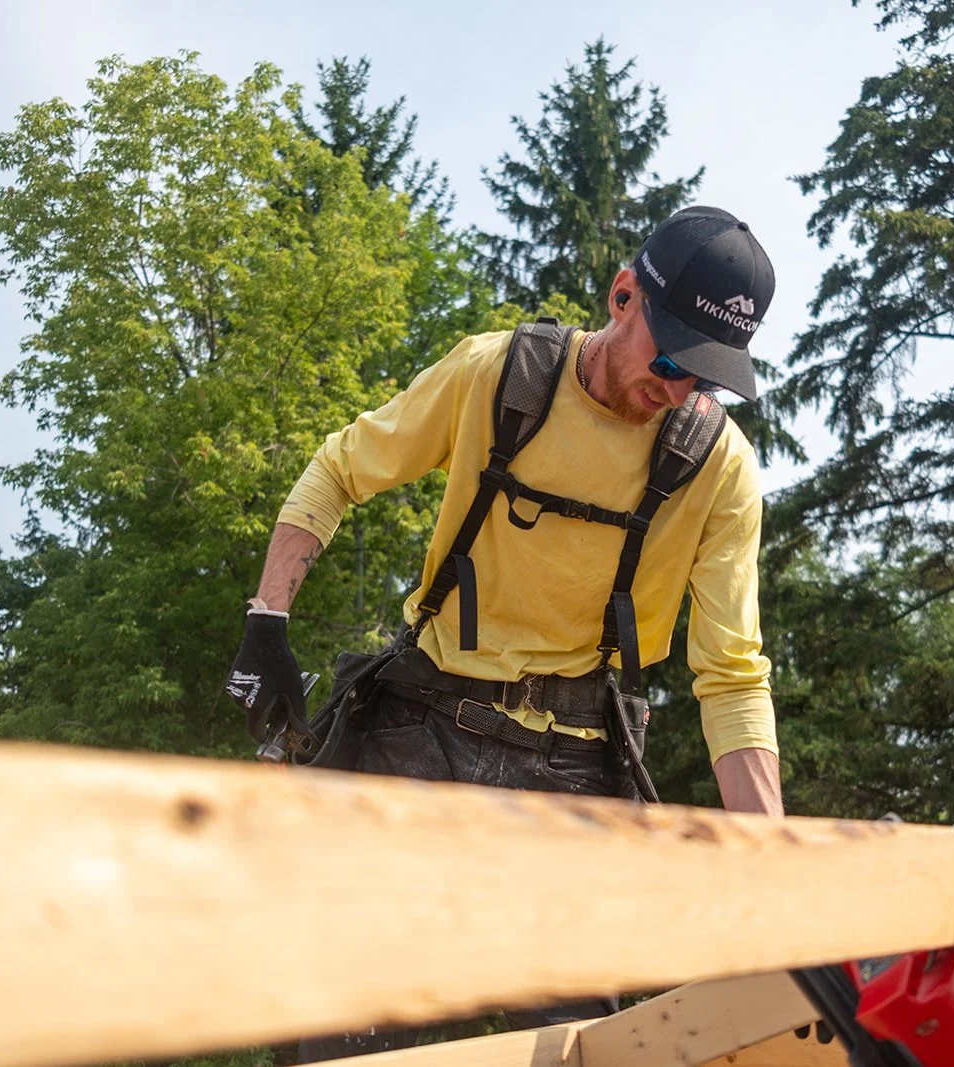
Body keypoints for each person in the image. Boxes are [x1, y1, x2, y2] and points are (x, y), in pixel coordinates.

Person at [225, 205, 781, 1060]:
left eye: (703, 378)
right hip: (422, 736)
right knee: (343, 1030)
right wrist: (267, 621)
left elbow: (733, 676)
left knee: (587, 1048)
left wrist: (774, 868)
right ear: (622, 295)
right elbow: (340, 467)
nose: (676, 391)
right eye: (669, 361)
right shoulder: (497, 376)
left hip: (577, 769)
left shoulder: (719, 473)